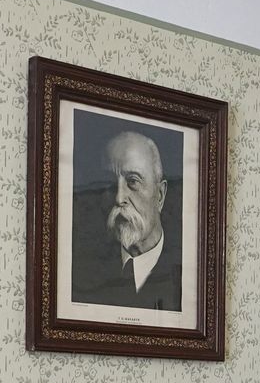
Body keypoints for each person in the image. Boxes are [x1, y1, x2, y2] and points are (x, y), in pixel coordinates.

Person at [73, 130, 181, 311]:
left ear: (160, 195)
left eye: (133, 181)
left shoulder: (185, 273)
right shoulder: (82, 269)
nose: (119, 198)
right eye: (109, 182)